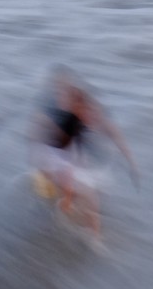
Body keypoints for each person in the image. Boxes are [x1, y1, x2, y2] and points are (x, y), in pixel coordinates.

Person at [30, 68, 138, 247]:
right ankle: (93, 238)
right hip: (54, 154)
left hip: (68, 152)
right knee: (85, 196)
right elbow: (58, 150)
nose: (91, 116)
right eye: (59, 89)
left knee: (92, 193)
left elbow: (113, 133)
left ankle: (85, 224)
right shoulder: (59, 116)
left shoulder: (86, 113)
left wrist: (130, 161)